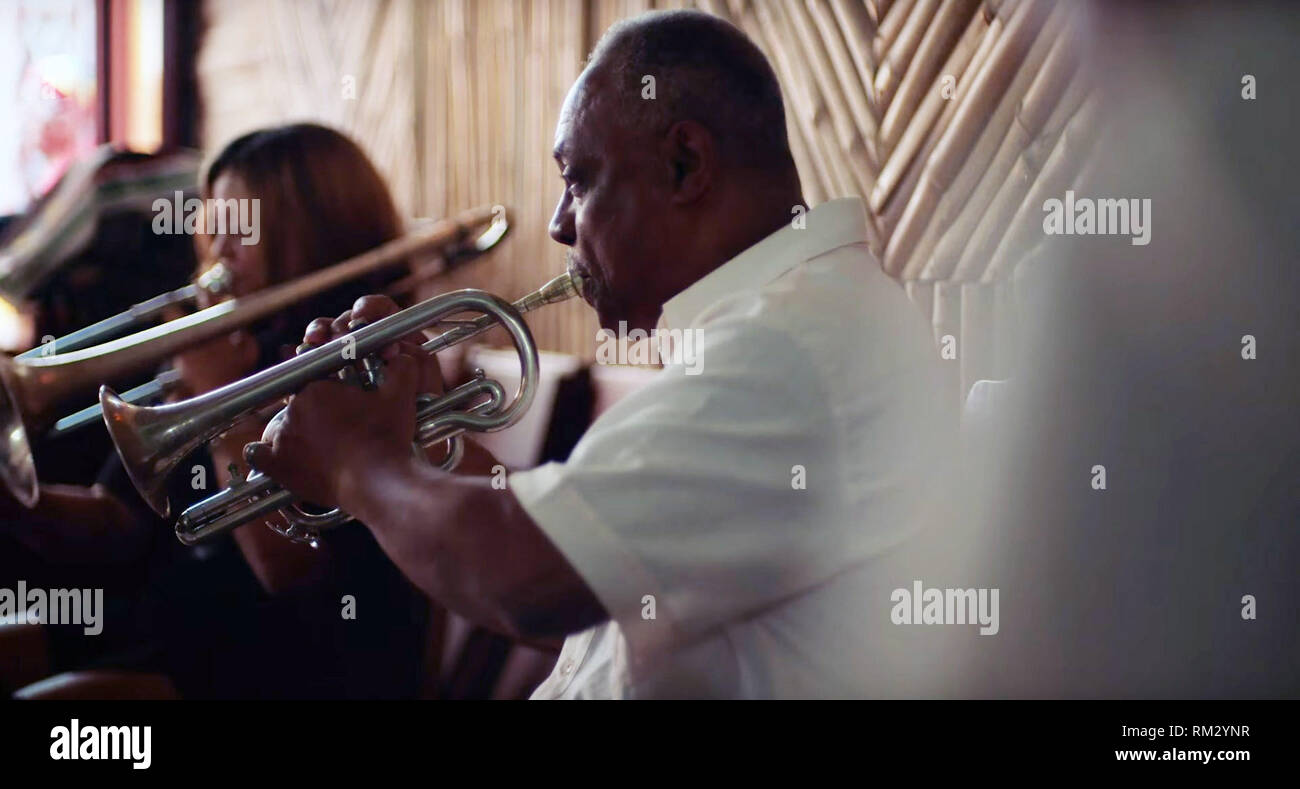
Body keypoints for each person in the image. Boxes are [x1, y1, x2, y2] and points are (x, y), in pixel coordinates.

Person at [247, 11, 953, 698]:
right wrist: (429, 440)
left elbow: (533, 577)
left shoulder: (789, 348)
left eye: (577, 180)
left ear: (685, 165)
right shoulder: (794, 326)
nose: (557, 224)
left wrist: (355, 464)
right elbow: (609, 602)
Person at [2, 123, 430, 698]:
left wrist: (224, 401)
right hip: (172, 627)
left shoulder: (377, 352)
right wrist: (16, 504)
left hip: (285, 669)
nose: (219, 244)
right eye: (214, 218)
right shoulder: (236, 338)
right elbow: (117, 525)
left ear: (316, 231)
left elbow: (293, 576)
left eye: (243, 223)